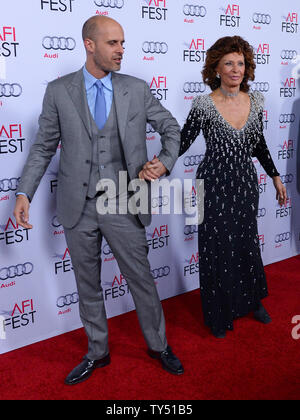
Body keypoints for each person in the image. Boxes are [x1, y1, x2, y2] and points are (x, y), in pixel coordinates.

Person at [14, 16, 183, 385]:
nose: (121, 50)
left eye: (123, 43)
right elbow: (43, 148)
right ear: (90, 45)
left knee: (141, 280)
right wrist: (24, 192)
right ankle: (98, 352)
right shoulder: (59, 91)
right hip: (79, 205)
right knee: (86, 284)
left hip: (125, 200)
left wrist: (164, 162)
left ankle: (159, 346)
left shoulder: (136, 89)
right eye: (113, 43)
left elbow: (172, 128)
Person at [180, 36, 287, 339]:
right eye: (228, 62)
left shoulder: (256, 101)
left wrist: (275, 176)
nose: (235, 69)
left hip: (244, 183)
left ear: (247, 67)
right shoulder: (203, 104)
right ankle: (218, 313)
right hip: (212, 183)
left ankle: (252, 301)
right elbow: (183, 140)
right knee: (216, 248)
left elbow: (259, 145)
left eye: (240, 63)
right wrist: (158, 164)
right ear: (216, 67)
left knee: (245, 242)